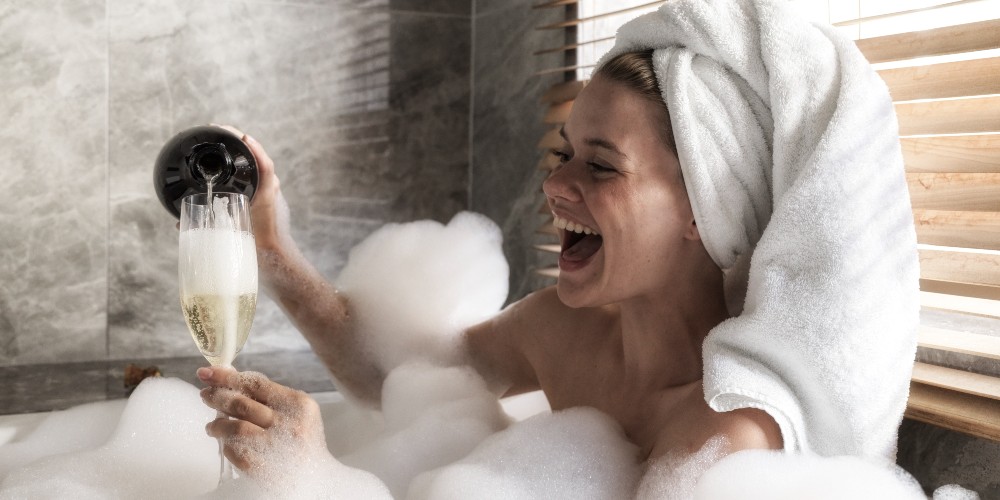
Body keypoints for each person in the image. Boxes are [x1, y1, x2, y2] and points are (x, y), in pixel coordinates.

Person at [199, 0, 917, 477]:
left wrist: (319, 484)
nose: (555, 185)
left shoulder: (725, 438)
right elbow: (395, 378)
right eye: (561, 153)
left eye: (601, 165)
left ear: (707, 213)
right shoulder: (562, 330)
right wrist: (271, 251)